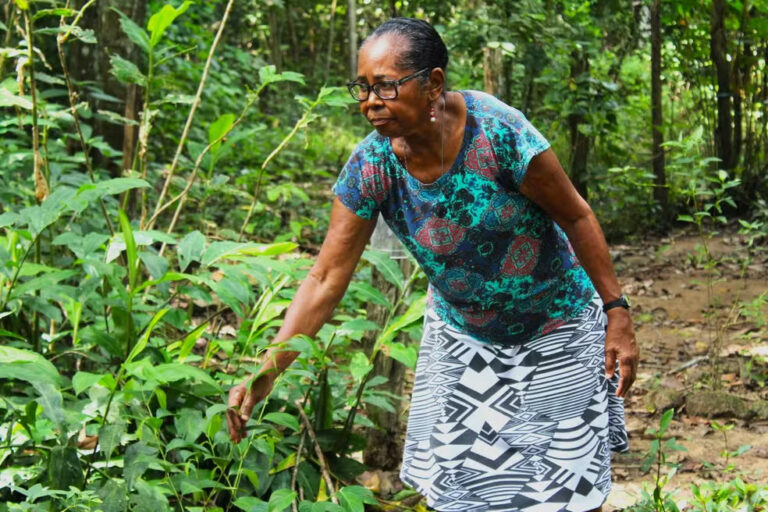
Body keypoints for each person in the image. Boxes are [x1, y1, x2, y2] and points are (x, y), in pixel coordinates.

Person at [227, 17, 638, 512]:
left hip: (557, 326)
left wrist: (617, 312)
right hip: (465, 336)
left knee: (563, 492)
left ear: (433, 85)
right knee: (462, 493)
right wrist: (267, 370)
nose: (370, 102)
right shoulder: (372, 165)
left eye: (385, 86)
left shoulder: (499, 133)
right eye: (363, 88)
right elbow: (325, 278)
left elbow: (575, 214)